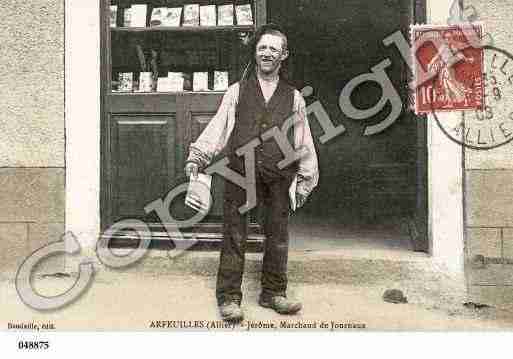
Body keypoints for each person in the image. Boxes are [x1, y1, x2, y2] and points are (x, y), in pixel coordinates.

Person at [185, 24, 319, 322]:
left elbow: (303, 140)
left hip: (279, 174)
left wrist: (305, 178)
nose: (267, 53)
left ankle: (273, 293)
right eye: (262, 48)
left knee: (278, 234)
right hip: (239, 172)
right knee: (234, 233)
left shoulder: (294, 97)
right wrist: (198, 157)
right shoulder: (237, 91)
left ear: (284, 55)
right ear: (255, 53)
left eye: (274, 48)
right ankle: (229, 297)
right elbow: (218, 128)